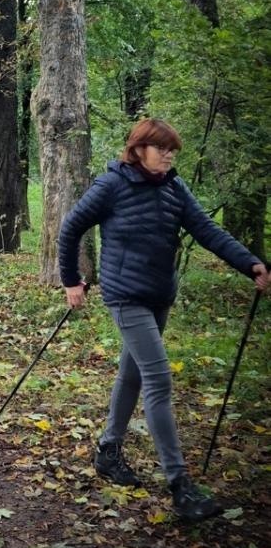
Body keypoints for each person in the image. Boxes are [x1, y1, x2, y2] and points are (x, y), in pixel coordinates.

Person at [58, 118, 268, 523]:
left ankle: (108, 449)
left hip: (159, 296)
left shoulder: (174, 187)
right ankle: (180, 485)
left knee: (133, 375)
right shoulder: (112, 185)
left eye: (173, 151)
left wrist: (250, 263)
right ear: (138, 149)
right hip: (125, 296)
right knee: (159, 380)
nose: (169, 157)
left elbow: (206, 229)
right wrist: (71, 280)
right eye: (162, 150)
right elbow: (70, 228)